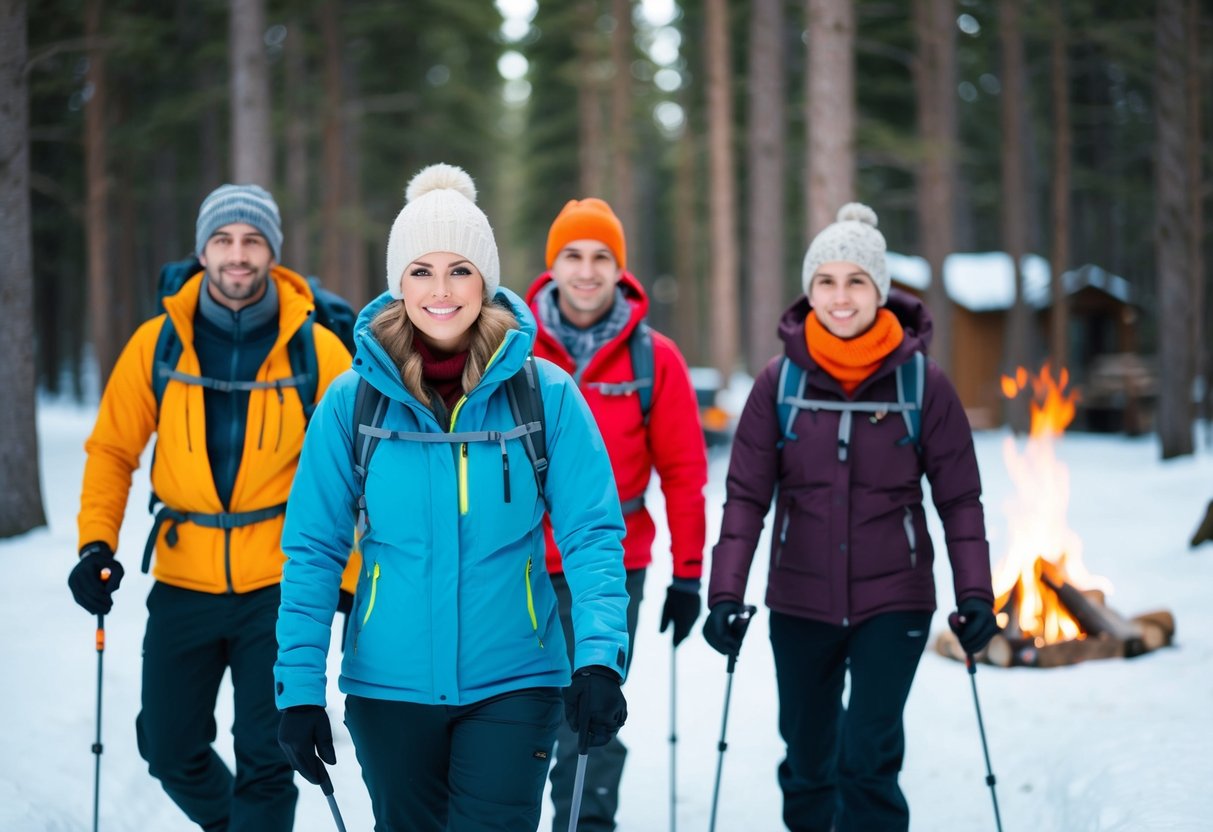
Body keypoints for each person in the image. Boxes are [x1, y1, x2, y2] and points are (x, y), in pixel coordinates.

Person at [273, 164, 631, 831]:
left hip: (517, 681)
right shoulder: (351, 404)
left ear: (486, 279)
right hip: (389, 687)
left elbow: (591, 536)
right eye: (421, 271)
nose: (441, 291)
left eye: (460, 270)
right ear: (396, 283)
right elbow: (313, 552)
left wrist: (600, 659)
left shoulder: (545, 395)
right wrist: (297, 691)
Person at [702, 203, 998, 832]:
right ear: (809, 292)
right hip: (800, 600)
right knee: (808, 761)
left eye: (856, 281)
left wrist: (975, 593)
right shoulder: (778, 384)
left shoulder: (922, 384)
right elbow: (746, 500)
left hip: (896, 600)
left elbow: (960, 501)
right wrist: (724, 594)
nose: (841, 297)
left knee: (869, 759)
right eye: (826, 282)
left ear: (880, 291)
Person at [68, 184, 353, 831]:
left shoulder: (317, 351)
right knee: (167, 748)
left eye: (252, 240)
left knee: (268, 755)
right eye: (223, 240)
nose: (237, 254)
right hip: (183, 577)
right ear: (202, 250)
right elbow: (113, 449)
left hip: (278, 582)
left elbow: (352, 477)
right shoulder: (156, 344)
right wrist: (95, 544)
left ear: (272, 252)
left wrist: (347, 571)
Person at [525, 197, 708, 831]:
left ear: (619, 270)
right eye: (572, 255)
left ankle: (585, 824)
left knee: (589, 714)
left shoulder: (653, 360)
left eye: (601, 257)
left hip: (608, 566)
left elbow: (685, 474)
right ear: (552, 266)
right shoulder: (514, 347)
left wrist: (689, 575)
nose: (586, 270)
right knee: (515, 715)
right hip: (516, 560)